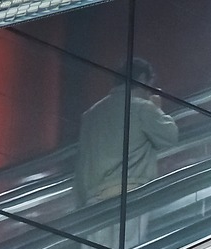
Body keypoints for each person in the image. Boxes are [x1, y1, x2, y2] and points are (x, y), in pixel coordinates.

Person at [75, 58, 179, 211]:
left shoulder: (91, 115)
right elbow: (170, 137)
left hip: (93, 201)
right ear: (143, 79)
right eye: (150, 85)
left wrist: (80, 203)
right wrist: (157, 108)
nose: (150, 90)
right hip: (130, 193)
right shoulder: (143, 107)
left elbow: (81, 161)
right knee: (128, 235)